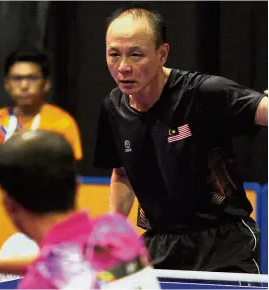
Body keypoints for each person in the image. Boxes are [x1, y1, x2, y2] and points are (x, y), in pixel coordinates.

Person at [94, 6, 268, 274]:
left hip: (223, 244)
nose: (123, 67)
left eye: (136, 55)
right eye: (114, 54)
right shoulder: (113, 108)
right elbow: (122, 172)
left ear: (162, 53)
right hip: (159, 246)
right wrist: (112, 231)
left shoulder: (202, 93)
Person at [0, 130, 159, 289]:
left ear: (9, 206)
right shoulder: (118, 230)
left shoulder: (38, 283)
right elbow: (68, 257)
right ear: (77, 185)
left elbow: (59, 260)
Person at [0, 47, 83, 174]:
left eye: (32, 78)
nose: (24, 86)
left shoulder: (62, 122)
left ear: (46, 84)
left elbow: (70, 173)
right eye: (17, 78)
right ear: (7, 84)